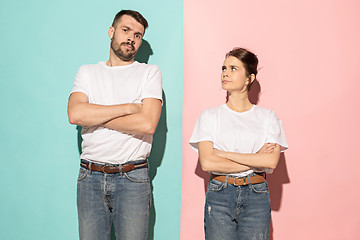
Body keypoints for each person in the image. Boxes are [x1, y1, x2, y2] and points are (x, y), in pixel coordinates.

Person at [67, 10, 162, 240]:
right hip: (90, 176)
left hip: (133, 177)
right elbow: (76, 114)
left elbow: (148, 123)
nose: (131, 38)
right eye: (126, 30)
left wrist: (97, 114)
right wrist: (128, 107)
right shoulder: (88, 72)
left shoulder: (149, 73)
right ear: (111, 31)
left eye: (138, 35)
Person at [190, 47, 288, 240]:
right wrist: (255, 159)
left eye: (234, 68)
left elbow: (270, 163)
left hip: (256, 195)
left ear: (249, 78)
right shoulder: (209, 116)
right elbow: (208, 163)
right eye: (224, 68)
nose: (225, 72)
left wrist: (223, 153)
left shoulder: (268, 117)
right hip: (220, 194)